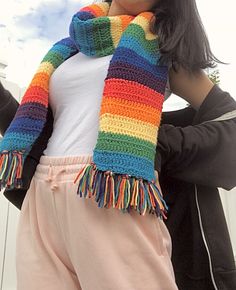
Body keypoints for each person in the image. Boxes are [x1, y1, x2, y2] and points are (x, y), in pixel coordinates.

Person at [0, 0, 236, 289]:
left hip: (110, 191)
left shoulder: (160, 45)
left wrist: (159, 145)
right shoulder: (67, 50)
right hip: (44, 194)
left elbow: (229, 118)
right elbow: (43, 127)